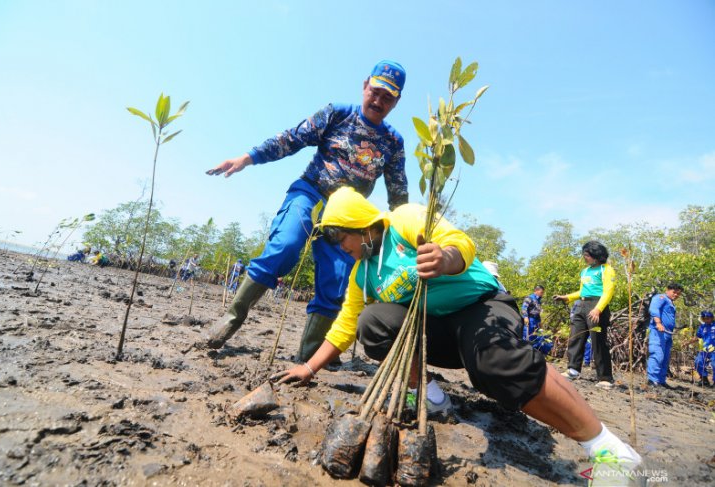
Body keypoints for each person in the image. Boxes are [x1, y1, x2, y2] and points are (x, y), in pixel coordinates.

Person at [273, 187, 641, 479]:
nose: (342, 249)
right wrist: (308, 368)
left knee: (494, 364)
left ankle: (608, 449)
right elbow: (346, 327)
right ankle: (432, 398)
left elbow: (460, 241)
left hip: (481, 307)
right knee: (373, 321)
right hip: (437, 333)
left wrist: (446, 258)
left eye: (342, 239)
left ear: (359, 224)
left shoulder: (404, 220)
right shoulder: (363, 274)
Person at [205, 60, 409, 362]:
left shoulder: (393, 142)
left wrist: (407, 235)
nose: (378, 101)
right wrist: (248, 158)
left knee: (338, 278)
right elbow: (291, 138)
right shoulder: (338, 113)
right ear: (365, 85)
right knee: (285, 246)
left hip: (348, 217)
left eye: (387, 97)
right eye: (375, 91)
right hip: (312, 193)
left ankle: (309, 357)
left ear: (396, 101)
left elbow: (398, 195)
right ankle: (229, 322)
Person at [554, 241, 616, 389]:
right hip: (581, 306)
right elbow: (582, 291)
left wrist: (598, 309)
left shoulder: (606, 270)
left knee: (598, 341)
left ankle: (605, 377)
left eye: (587, 255)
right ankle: (573, 369)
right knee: (576, 337)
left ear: (596, 256)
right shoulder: (585, 271)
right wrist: (567, 297)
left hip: (596, 305)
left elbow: (608, 291)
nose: (584, 257)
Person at [646, 282, 684, 388]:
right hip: (658, 332)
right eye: (674, 292)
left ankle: (661, 381)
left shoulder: (671, 302)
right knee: (657, 354)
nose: (676, 295)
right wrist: (658, 323)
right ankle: (652, 380)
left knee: (665, 358)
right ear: (668, 290)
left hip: (667, 334)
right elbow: (654, 309)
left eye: (678, 294)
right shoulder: (661, 297)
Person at [521, 285, 552, 354]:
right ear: (536, 291)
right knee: (528, 336)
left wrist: (540, 322)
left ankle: (536, 351)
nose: (542, 294)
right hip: (530, 319)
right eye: (541, 292)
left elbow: (537, 312)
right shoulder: (529, 298)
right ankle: (526, 352)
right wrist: (525, 317)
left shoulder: (538, 301)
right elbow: (524, 308)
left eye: (543, 293)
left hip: (536, 320)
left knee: (537, 335)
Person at [691, 311, 715, 387]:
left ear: (712, 318)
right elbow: (698, 337)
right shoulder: (702, 327)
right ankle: (704, 379)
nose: (706, 320)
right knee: (698, 362)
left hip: (714, 350)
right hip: (705, 350)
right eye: (704, 318)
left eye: (707, 318)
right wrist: (687, 342)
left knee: (714, 364)